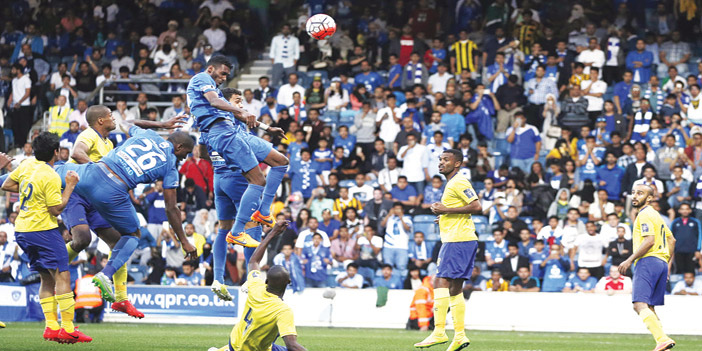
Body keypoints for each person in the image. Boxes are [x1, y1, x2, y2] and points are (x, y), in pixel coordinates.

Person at [55, 117, 198, 303]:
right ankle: (105, 275)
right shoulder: (171, 166)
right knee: (133, 235)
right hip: (113, 190)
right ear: (178, 147)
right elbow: (171, 209)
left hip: (94, 172)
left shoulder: (148, 134)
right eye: (185, 153)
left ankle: (8, 175)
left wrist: (161, 125)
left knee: (49, 171)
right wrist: (184, 240)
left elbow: (126, 122)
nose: (184, 158)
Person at [186, 56, 288, 250]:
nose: (224, 77)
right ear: (210, 69)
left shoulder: (215, 91)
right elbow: (215, 102)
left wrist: (267, 128)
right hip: (223, 134)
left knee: (281, 161)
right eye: (222, 73)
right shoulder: (202, 79)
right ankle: (238, 232)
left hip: (230, 132)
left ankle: (264, 211)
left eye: (227, 75)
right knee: (258, 181)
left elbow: (235, 113)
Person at [1, 132, 92, 343]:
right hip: (43, 230)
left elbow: (6, 185)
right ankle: (68, 327)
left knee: (46, 277)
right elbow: (56, 209)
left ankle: (51, 326)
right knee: (63, 275)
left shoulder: (26, 165)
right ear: (56, 152)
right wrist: (69, 186)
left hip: (22, 230)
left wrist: (29, 193)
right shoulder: (50, 175)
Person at [414, 149, 481, 351]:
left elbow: (477, 206)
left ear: (457, 163)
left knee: (439, 280)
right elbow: (463, 208)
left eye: (446, 160)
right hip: (462, 239)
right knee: (455, 288)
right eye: (440, 159)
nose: (441, 163)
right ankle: (459, 335)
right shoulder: (452, 183)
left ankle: (439, 331)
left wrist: (446, 210)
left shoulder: (459, 181)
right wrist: (445, 216)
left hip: (457, 241)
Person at [210, 220, 307, 351]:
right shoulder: (283, 310)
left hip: (234, 343)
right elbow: (292, 345)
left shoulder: (256, 286)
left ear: (266, 281)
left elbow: (253, 261)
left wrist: (273, 232)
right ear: (288, 282)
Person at [618, 184, 676, 351]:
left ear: (650, 198)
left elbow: (649, 240)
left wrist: (629, 260)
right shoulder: (658, 216)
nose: (635, 196)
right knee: (650, 307)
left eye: (640, 193)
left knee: (639, 304)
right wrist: (667, 265)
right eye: (633, 192)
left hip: (647, 261)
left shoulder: (644, 215)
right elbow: (672, 241)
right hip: (661, 263)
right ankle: (663, 342)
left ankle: (662, 339)